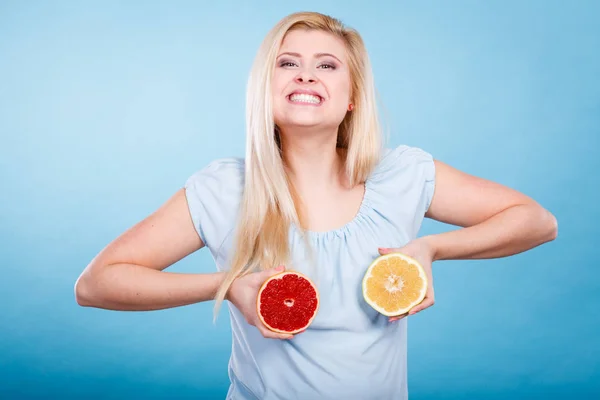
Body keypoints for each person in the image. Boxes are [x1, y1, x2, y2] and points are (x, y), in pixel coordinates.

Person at [74, 11, 558, 400]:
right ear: (265, 88)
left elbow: (536, 222)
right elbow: (96, 283)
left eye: (328, 65)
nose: (306, 73)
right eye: (287, 63)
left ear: (352, 97)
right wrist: (229, 287)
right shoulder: (224, 190)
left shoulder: (402, 176)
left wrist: (432, 249)